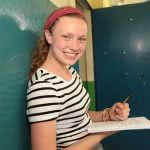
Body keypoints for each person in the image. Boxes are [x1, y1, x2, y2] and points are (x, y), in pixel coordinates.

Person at [26, 6, 130, 150]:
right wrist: (103, 133)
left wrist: (107, 116)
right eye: (66, 37)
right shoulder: (43, 88)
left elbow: (78, 116)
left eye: (81, 39)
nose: (75, 47)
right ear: (49, 36)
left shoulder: (71, 72)